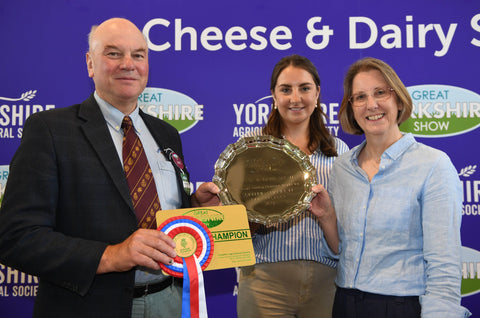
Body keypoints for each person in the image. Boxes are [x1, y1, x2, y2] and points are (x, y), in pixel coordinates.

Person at [0, 18, 220, 318]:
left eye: (138, 55)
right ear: (90, 64)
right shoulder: (50, 130)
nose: (128, 64)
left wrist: (194, 207)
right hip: (89, 306)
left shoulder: (167, 134)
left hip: (170, 302)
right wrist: (112, 255)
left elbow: (165, 219)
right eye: (113, 53)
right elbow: (17, 237)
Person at [309, 57, 471, 317]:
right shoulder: (342, 168)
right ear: (351, 108)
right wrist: (327, 216)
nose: (371, 104)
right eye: (359, 97)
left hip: (401, 307)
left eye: (380, 92)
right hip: (344, 303)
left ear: (398, 99)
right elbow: (341, 250)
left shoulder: (433, 165)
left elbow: (443, 265)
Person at [236, 54, 349, 318]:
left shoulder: (338, 151)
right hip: (264, 283)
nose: (295, 98)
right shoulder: (251, 146)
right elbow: (232, 218)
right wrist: (258, 217)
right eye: (285, 89)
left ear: (317, 92)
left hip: (326, 281)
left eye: (304, 88)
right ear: (273, 95)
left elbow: (348, 226)